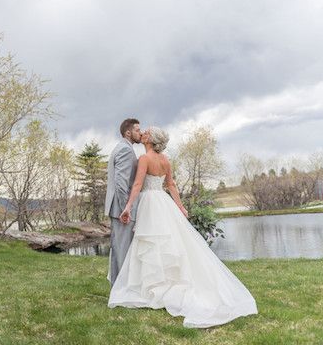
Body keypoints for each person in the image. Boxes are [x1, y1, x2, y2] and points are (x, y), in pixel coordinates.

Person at [108, 126, 258, 328]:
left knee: (150, 243)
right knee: (166, 243)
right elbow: (171, 185)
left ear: (151, 139)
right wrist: (181, 207)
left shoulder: (144, 159)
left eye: (147, 132)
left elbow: (136, 186)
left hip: (149, 203)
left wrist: (127, 207)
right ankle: (161, 282)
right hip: (163, 202)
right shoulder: (165, 160)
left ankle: (152, 286)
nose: (143, 133)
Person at [104, 118, 142, 286]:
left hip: (117, 208)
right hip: (121, 209)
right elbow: (121, 183)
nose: (140, 133)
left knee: (119, 249)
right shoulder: (126, 150)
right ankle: (122, 289)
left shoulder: (121, 148)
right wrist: (125, 208)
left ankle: (117, 287)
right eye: (137, 130)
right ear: (128, 132)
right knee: (123, 249)